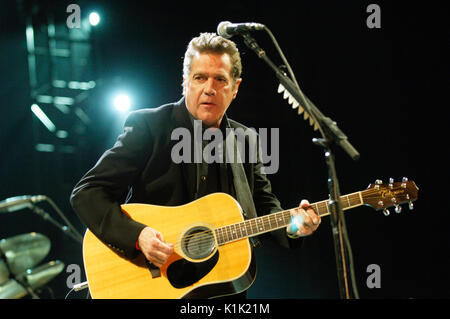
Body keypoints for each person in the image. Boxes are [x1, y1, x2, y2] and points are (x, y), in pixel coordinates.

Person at [70, 32, 321, 298]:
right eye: (200, 77)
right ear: (185, 83)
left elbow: (263, 207)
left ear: (235, 88)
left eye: (220, 79)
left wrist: (295, 228)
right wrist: (138, 236)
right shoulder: (150, 127)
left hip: (221, 291)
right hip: (152, 283)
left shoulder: (246, 140)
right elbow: (87, 193)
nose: (209, 88)